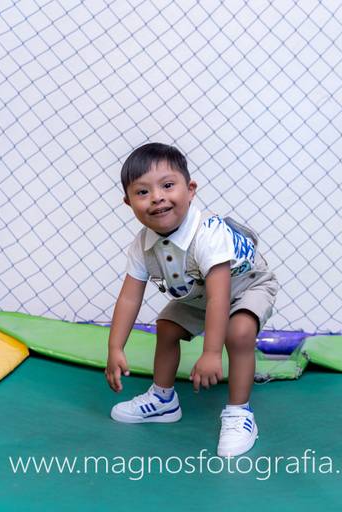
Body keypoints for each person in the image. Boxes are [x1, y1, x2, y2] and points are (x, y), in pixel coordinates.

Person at [105, 142, 279, 457]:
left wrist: (211, 353)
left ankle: (239, 413)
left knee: (238, 333)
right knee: (167, 327)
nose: (157, 197)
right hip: (200, 294)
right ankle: (163, 399)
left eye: (167, 186)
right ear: (128, 203)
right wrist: (115, 348)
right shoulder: (141, 246)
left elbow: (219, 299)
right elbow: (129, 298)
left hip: (246, 286)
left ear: (190, 190)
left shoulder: (207, 235)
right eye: (142, 192)